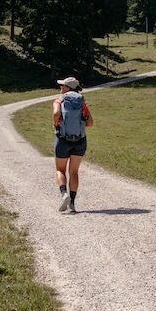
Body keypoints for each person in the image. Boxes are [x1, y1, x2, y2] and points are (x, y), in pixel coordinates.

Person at [53, 76, 93, 213]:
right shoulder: (82, 102)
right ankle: (73, 203)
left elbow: (56, 113)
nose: (61, 87)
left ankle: (64, 194)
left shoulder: (60, 100)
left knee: (60, 170)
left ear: (68, 88)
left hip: (63, 139)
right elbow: (90, 123)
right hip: (80, 140)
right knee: (74, 172)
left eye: (63, 85)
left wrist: (55, 123)